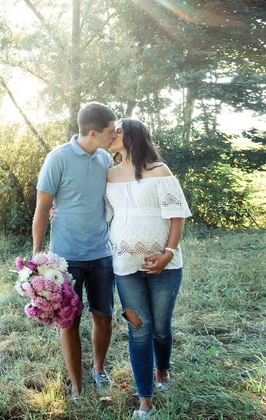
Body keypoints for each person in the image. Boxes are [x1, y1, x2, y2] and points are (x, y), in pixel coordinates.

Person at [105, 119, 191, 419]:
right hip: (125, 266)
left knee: (160, 328)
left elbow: (177, 215)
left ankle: (163, 370)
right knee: (139, 329)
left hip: (165, 266)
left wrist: (168, 254)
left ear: (133, 136)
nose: (113, 135)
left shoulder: (160, 171)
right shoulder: (109, 175)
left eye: (118, 131)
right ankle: (145, 399)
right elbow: (101, 213)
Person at [33, 102, 118, 401]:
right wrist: (37, 255)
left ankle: (98, 369)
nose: (114, 134)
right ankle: (76, 384)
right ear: (93, 132)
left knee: (104, 316)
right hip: (65, 259)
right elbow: (42, 209)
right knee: (69, 320)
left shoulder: (106, 158)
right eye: (110, 131)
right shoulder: (58, 158)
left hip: (102, 253)